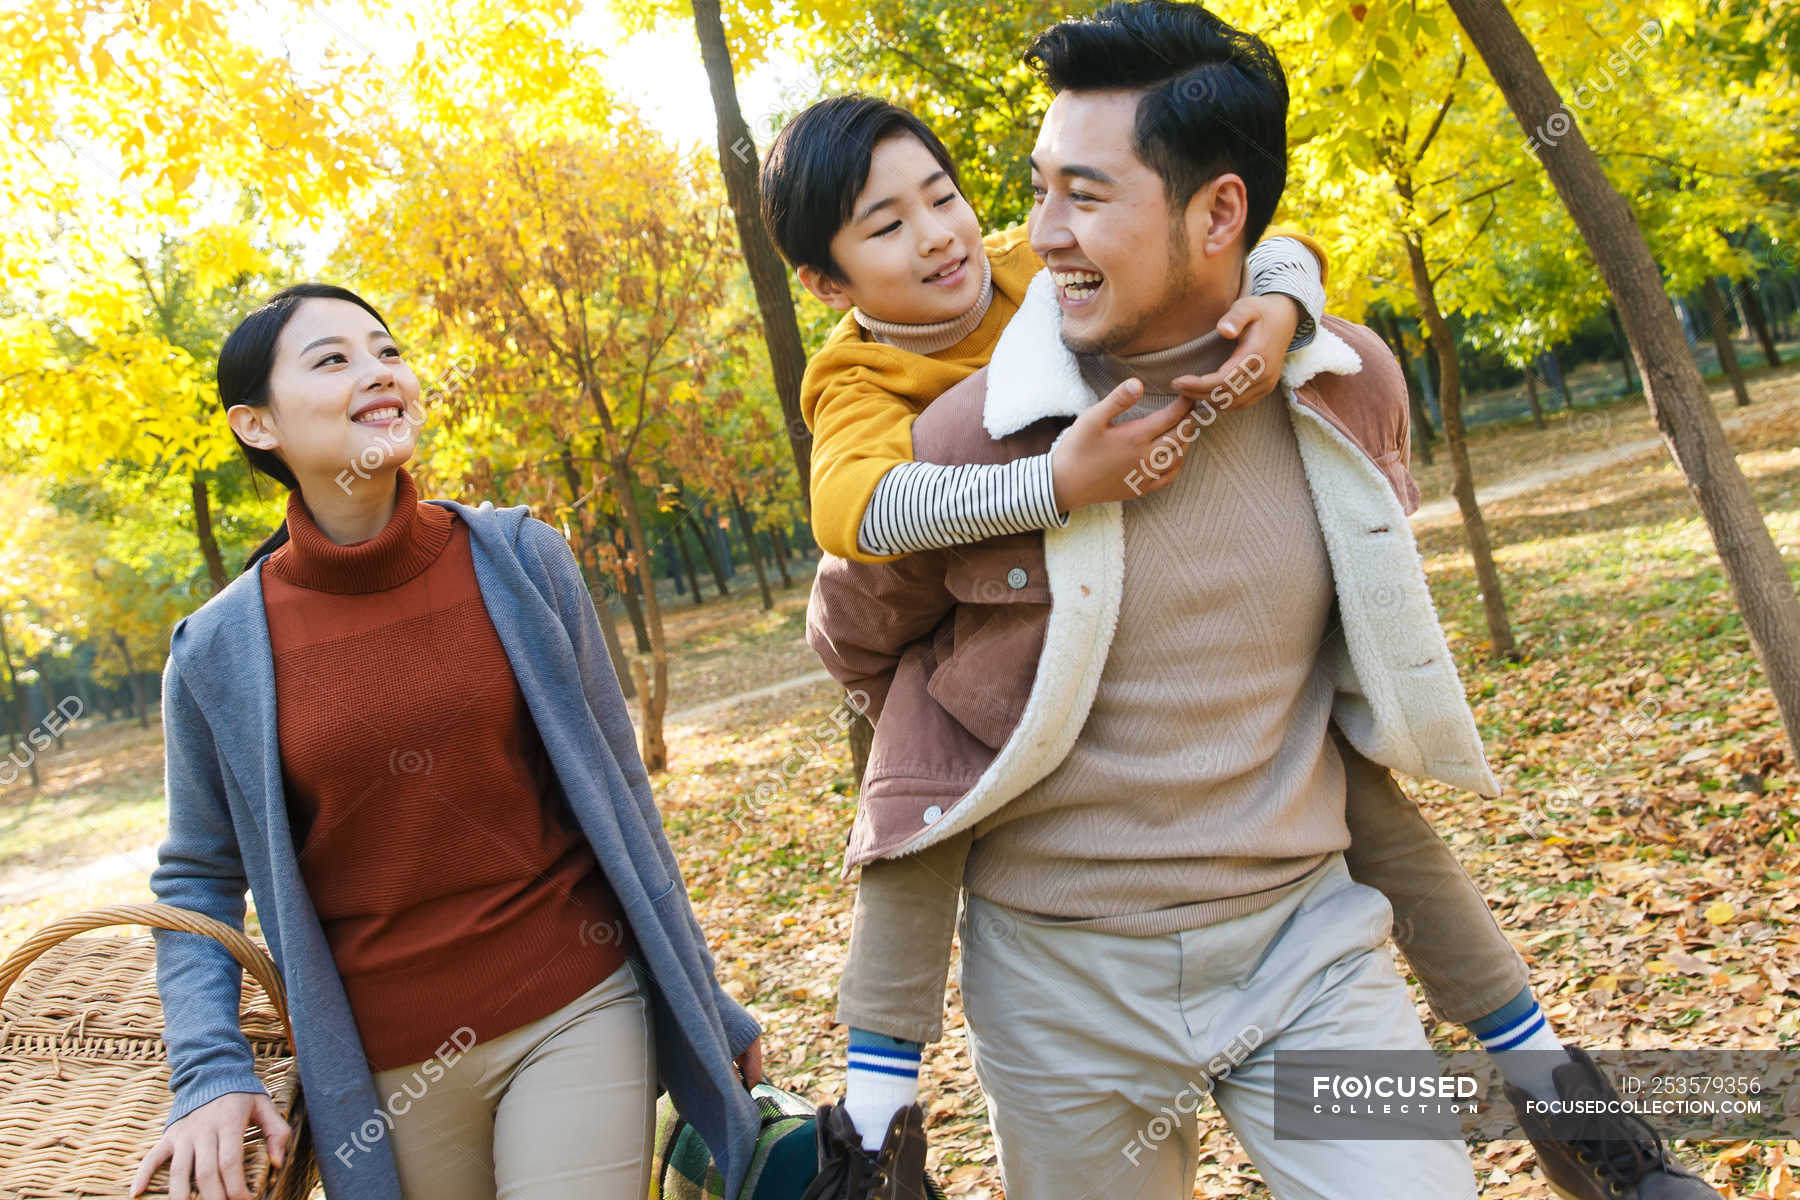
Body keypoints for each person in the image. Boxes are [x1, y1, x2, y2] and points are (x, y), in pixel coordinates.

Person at [798, 4, 1718, 1199]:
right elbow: (856, 609)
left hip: (1306, 955)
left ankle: (1566, 1102)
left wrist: (1284, 300)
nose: (1030, 235)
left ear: (1220, 211)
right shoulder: (950, 438)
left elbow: (1349, 693)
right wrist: (1037, 493)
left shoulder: (1342, 389)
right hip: (1060, 985)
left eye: (1081, 195)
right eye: (1036, 191)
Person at [133, 284, 765, 1200]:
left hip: (575, 1003)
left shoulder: (519, 561)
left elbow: (623, 800)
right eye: (333, 359)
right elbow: (196, 877)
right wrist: (208, 1074)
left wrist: (700, 996)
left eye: (387, 351)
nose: (379, 373)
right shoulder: (218, 653)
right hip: (381, 1076)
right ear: (257, 425)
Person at [766, 95, 1329, 564]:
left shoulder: (1033, 257)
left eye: (943, 197)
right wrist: (1055, 483)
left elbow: (1255, 242)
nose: (937, 234)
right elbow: (854, 509)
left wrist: (1280, 305)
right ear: (826, 284)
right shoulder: (855, 375)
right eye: (888, 226)